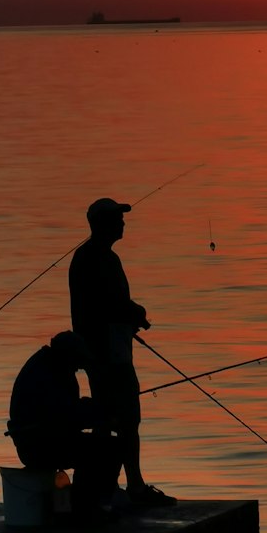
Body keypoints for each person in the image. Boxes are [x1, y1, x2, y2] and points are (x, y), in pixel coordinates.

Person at [68, 197, 176, 508]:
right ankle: (131, 487)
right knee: (126, 417)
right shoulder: (97, 259)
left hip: (105, 350)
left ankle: (109, 486)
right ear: (103, 224)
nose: (123, 222)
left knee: (110, 418)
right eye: (118, 218)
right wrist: (137, 313)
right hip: (108, 353)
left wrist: (130, 319)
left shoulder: (94, 257)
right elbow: (110, 303)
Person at [7, 331, 123, 521]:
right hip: (39, 446)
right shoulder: (45, 373)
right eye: (78, 361)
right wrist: (102, 414)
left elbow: (69, 411)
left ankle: (86, 504)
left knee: (103, 446)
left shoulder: (51, 365)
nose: (79, 367)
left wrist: (97, 411)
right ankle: (84, 508)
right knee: (109, 448)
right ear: (68, 355)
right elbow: (66, 413)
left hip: (46, 438)